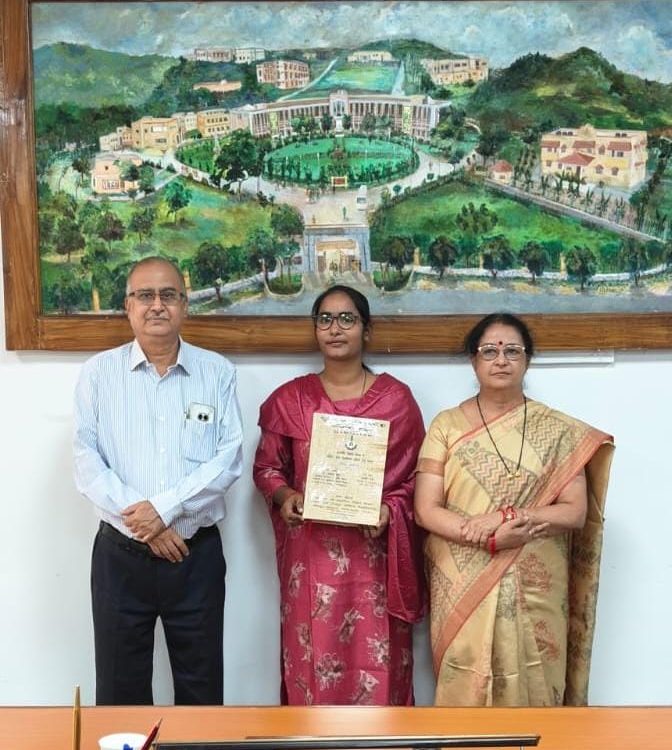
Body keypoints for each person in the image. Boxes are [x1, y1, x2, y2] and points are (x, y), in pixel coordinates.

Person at [414, 313, 613, 707]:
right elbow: (425, 509)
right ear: (474, 360)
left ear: (527, 360)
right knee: (466, 680)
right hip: (463, 580)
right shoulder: (446, 426)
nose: (501, 360)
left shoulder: (558, 431)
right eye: (489, 351)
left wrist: (507, 519)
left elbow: (573, 512)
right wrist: (484, 538)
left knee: (535, 680)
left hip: (534, 584)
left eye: (512, 351)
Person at [74, 257, 243, 705]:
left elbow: (228, 459)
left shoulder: (217, 372)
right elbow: (87, 461)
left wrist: (165, 510)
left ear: (185, 305)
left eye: (168, 295)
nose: (156, 305)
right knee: (119, 692)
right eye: (144, 295)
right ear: (127, 306)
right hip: (120, 556)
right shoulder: (98, 374)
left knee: (202, 689)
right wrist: (146, 524)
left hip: (194, 556)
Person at [253, 284, 426, 706]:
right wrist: (285, 496)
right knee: (312, 658)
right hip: (311, 559)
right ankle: (313, 746)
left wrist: (389, 509)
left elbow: (417, 478)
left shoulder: (396, 401)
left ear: (367, 330)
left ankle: (382, 747)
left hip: (374, 558)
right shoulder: (291, 400)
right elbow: (267, 468)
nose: (335, 328)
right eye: (325, 319)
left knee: (378, 657)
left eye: (347, 319)